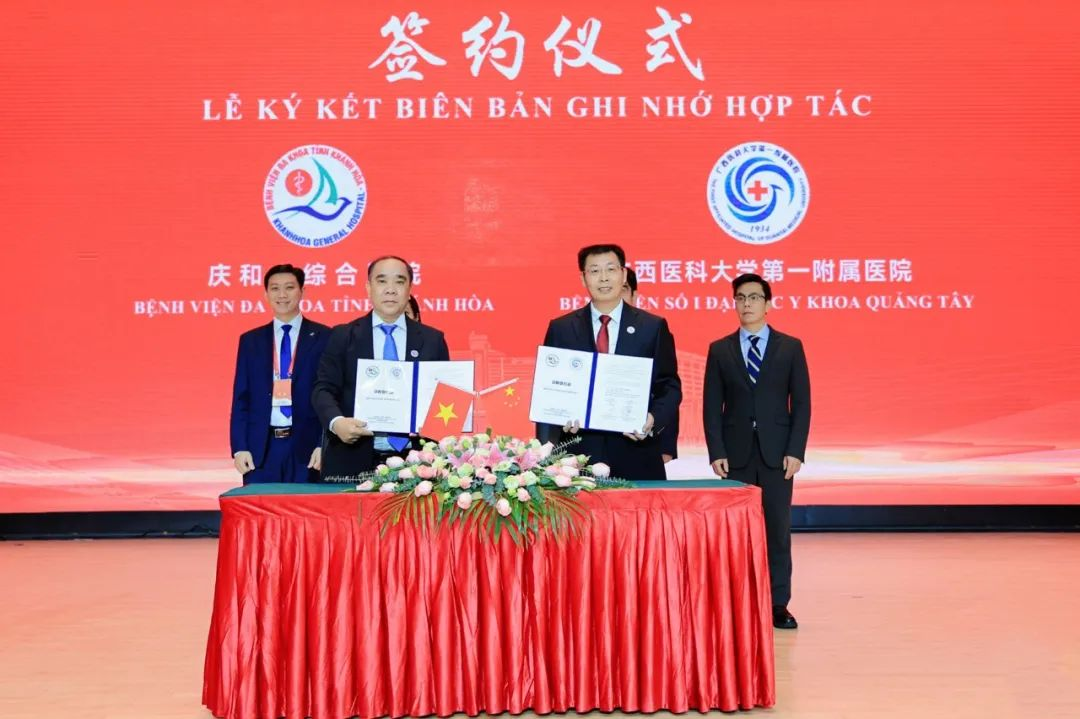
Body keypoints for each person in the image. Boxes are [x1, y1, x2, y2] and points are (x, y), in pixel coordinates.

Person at [703, 273, 811, 629]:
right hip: (735, 455)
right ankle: (737, 602)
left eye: (753, 297)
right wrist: (716, 450)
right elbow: (711, 406)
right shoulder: (720, 349)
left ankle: (778, 604)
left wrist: (796, 450)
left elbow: (802, 404)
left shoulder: (790, 347)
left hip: (778, 455)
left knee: (776, 530)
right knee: (735, 533)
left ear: (768, 303)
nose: (746, 304)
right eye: (740, 298)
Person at [537, 244, 681, 480]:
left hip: (637, 452)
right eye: (594, 271)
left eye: (611, 269)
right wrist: (556, 424)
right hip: (577, 455)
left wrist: (652, 419)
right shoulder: (561, 328)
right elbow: (549, 389)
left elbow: (669, 386)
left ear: (623, 275)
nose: (603, 278)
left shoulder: (652, 327)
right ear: (583, 278)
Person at [313, 256, 450, 477]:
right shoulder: (343, 336)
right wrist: (337, 423)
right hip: (352, 460)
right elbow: (323, 389)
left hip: (417, 465)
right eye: (382, 281)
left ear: (409, 289)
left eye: (399, 281)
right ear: (368, 288)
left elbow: (446, 397)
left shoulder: (432, 340)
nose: (390, 289)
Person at [229, 264, 330, 484]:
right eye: (275, 288)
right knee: (262, 506)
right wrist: (240, 447)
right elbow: (241, 398)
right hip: (261, 449)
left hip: (307, 449)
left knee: (305, 505)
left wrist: (323, 444)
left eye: (289, 287)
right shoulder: (251, 341)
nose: (282, 295)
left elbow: (331, 396)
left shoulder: (325, 337)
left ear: (302, 291)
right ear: (266, 294)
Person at [621, 267, 679, 463]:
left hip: (642, 441)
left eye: (624, 289)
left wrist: (667, 445)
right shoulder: (595, 331)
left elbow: (667, 386)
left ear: (634, 295)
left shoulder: (653, 329)